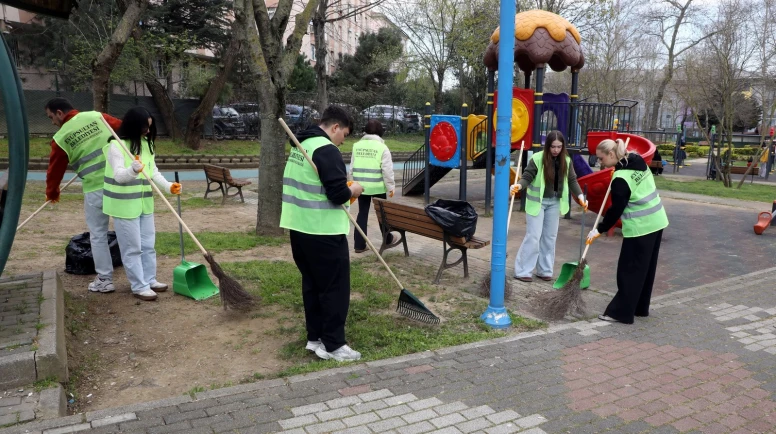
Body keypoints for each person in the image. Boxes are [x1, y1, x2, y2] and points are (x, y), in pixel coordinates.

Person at [280, 106, 364, 362]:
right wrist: (354, 189)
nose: (343, 141)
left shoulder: (301, 145)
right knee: (334, 289)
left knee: (313, 285)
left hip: (299, 228)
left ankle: (315, 337)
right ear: (335, 127)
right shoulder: (326, 149)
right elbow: (337, 194)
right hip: (323, 231)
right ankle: (334, 345)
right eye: (344, 135)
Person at [44, 98, 122, 294]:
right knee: (127, 229)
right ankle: (141, 279)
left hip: (95, 188)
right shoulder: (96, 116)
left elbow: (55, 170)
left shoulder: (60, 137)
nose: (52, 122)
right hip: (120, 181)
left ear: (59, 113)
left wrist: (52, 193)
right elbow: (123, 129)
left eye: (51, 117)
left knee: (98, 234)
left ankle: (105, 279)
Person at [102, 107, 180, 301]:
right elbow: (119, 176)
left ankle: (150, 279)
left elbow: (153, 172)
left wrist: (168, 186)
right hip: (124, 206)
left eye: (150, 127)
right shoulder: (116, 145)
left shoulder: (146, 144)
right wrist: (132, 171)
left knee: (148, 245)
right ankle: (139, 286)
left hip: (144, 204)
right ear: (134, 125)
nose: (148, 131)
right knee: (132, 248)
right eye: (145, 127)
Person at [587, 138, 669, 324]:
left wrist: (599, 229)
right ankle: (640, 308)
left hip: (640, 227)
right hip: (657, 221)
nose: (599, 163)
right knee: (645, 269)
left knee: (629, 270)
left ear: (611, 154)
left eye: (601, 158)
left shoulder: (620, 178)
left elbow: (616, 209)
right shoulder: (637, 160)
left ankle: (620, 313)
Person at [510, 130, 587, 282]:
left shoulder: (566, 160)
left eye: (559, 147)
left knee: (550, 237)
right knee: (533, 236)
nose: (556, 150)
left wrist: (580, 196)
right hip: (537, 203)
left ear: (563, 147)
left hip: (555, 203)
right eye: (553, 147)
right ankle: (523, 271)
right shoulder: (537, 158)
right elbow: (527, 176)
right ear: (547, 146)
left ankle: (544, 270)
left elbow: (572, 180)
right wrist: (518, 185)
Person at [349, 119, 396, 253]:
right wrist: (391, 187)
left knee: (362, 213)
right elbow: (387, 170)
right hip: (378, 187)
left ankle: (359, 245)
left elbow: (351, 167)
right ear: (381, 132)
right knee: (382, 214)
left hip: (360, 187)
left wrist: (352, 183)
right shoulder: (382, 148)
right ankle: (387, 239)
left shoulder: (356, 146)